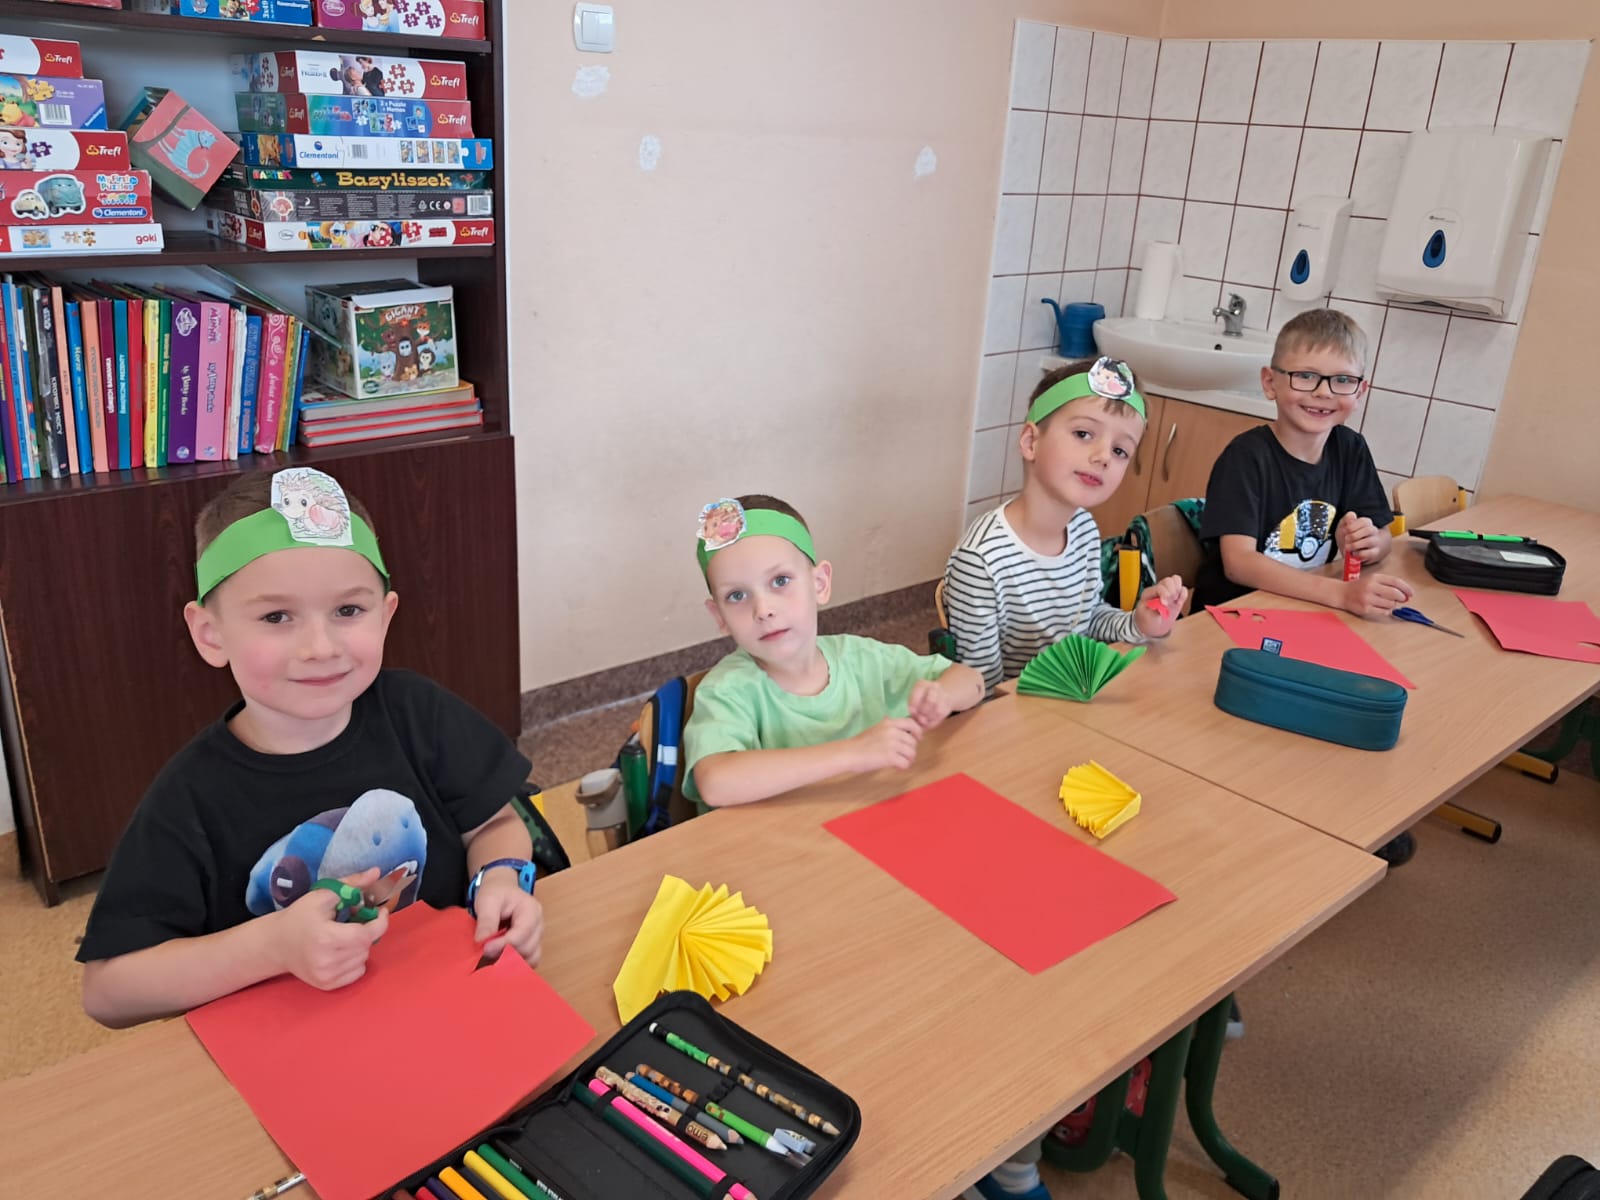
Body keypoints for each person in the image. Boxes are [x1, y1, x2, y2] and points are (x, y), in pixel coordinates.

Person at [77, 467, 544, 1028]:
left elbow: (494, 824)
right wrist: (273, 946)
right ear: (210, 634)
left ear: (386, 615)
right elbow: (108, 991)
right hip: (300, 1045)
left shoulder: (419, 712)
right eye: (276, 616)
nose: (320, 647)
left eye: (348, 610)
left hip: (455, 1007)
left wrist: (500, 879)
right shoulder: (190, 797)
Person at [1192, 306, 1417, 866]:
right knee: (1294, 714)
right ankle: (1277, 827)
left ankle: (1351, 817)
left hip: (1305, 614)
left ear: (1360, 390)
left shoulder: (1349, 449)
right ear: (1271, 382)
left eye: (1341, 380)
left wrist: (1369, 543)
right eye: (1305, 376)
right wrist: (1341, 594)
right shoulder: (1246, 457)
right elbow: (1239, 564)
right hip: (1231, 625)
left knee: (1367, 688)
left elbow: (1382, 537)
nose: (1322, 393)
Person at [683, 494, 985, 809]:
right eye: (736, 595)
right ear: (719, 616)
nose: (763, 609)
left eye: (780, 580)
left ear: (819, 584)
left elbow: (972, 680)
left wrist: (944, 695)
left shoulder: (863, 658)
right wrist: (853, 753)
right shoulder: (726, 691)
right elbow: (716, 783)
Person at [944, 356, 1186, 692]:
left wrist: (1139, 623)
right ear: (1031, 442)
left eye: (1120, 451)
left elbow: (1087, 619)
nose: (1103, 456)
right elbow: (977, 689)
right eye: (1083, 434)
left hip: (1071, 703)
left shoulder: (1083, 529)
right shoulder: (982, 560)